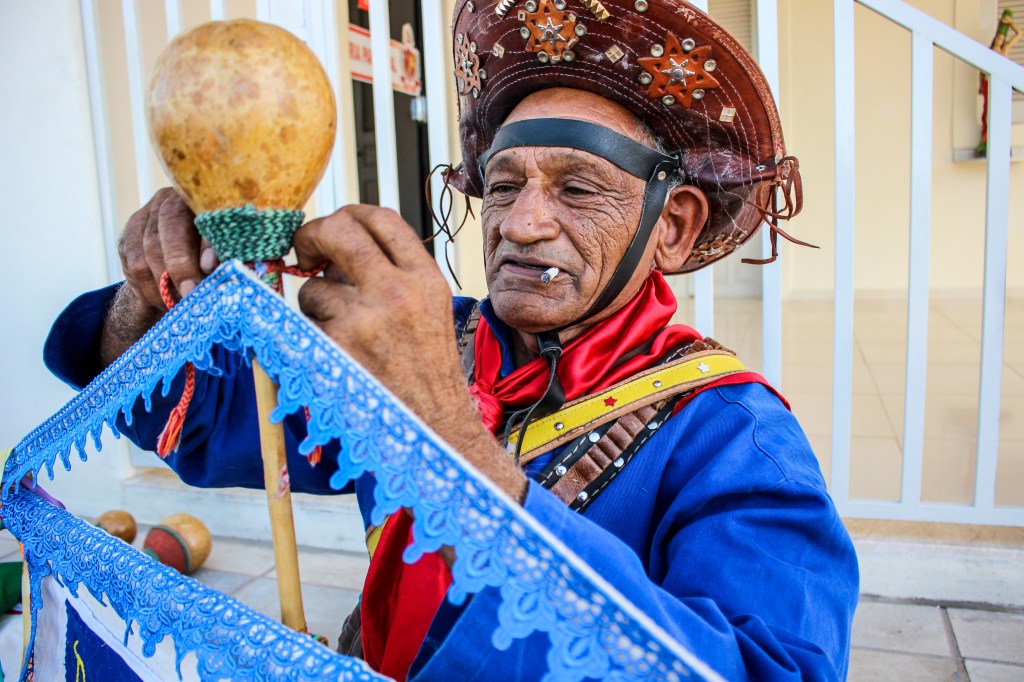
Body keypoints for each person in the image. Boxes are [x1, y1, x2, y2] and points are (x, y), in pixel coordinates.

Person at [44, 1, 858, 680]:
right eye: (503, 186)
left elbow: (767, 668)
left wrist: (444, 428)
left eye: (578, 188)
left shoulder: (735, 438)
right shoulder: (428, 343)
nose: (521, 224)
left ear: (671, 226)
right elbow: (211, 422)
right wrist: (149, 294)